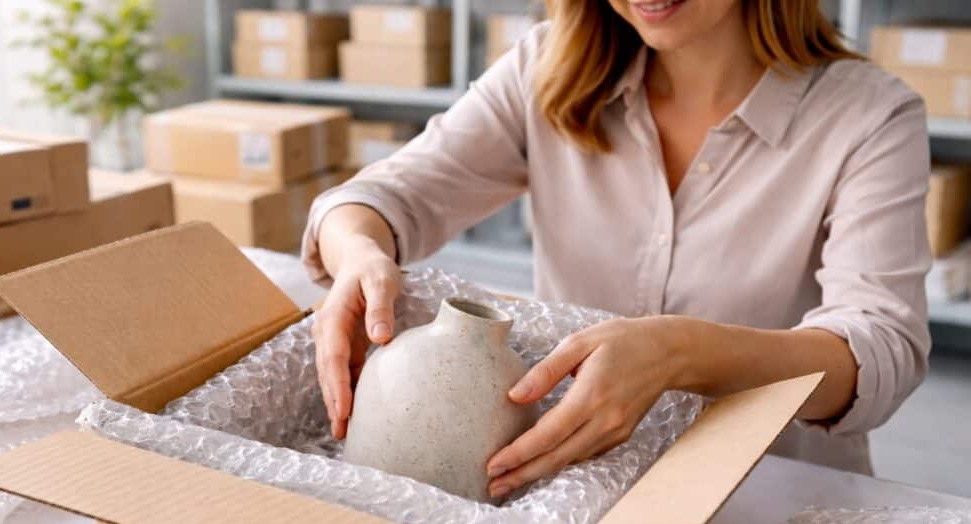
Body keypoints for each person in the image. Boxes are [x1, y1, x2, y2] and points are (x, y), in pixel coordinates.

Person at [302, 0, 931, 498]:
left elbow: (881, 351)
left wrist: (679, 353)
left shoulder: (870, 116)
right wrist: (360, 254)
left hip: (770, 501)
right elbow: (382, 198)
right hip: (575, 493)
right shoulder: (547, 69)